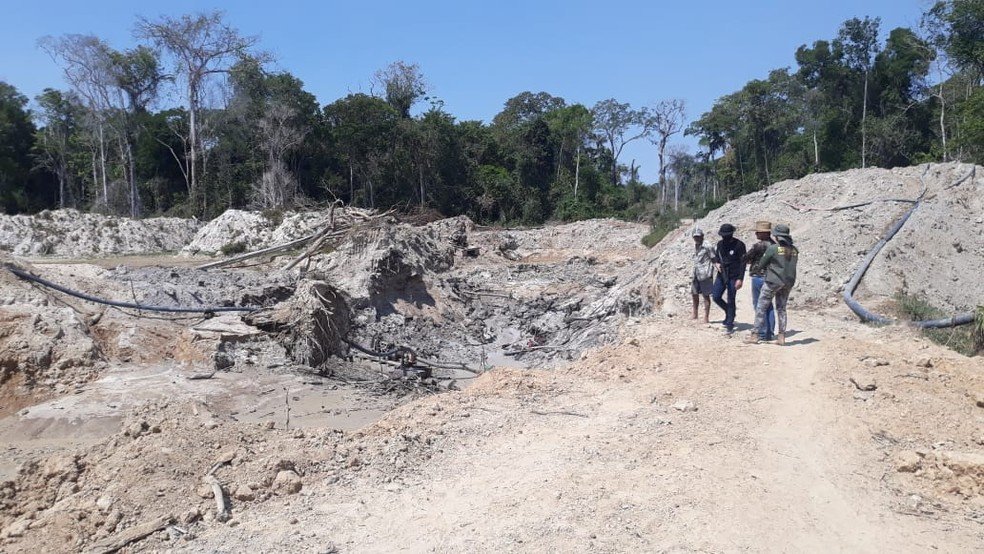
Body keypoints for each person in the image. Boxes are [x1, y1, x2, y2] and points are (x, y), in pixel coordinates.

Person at [747, 223, 799, 346]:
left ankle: (755, 335)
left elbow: (762, 264)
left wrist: (760, 268)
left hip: (773, 281)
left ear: (777, 236)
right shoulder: (794, 250)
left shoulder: (773, 248)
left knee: (761, 306)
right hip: (788, 282)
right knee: (781, 309)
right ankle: (781, 337)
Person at [711, 223, 746, 334]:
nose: (725, 237)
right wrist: (717, 264)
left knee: (731, 298)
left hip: (734, 275)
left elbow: (743, 262)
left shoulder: (739, 245)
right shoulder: (720, 244)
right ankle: (729, 311)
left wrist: (740, 279)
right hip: (722, 274)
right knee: (716, 296)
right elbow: (717, 258)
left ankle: (730, 322)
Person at [744, 220, 776, 341]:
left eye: (758, 232)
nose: (756, 234)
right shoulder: (775, 245)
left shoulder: (759, 246)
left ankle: (762, 332)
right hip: (772, 278)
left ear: (764, 233)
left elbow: (746, 258)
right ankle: (770, 332)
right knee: (769, 305)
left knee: (759, 305)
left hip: (759, 277)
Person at [690, 228, 715, 323]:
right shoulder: (696, 246)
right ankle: (695, 313)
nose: (697, 238)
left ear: (702, 236)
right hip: (696, 273)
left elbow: (713, 258)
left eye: (698, 236)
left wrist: (716, 268)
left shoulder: (707, 246)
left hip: (705, 274)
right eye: (695, 237)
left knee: (706, 295)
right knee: (694, 293)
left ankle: (706, 317)